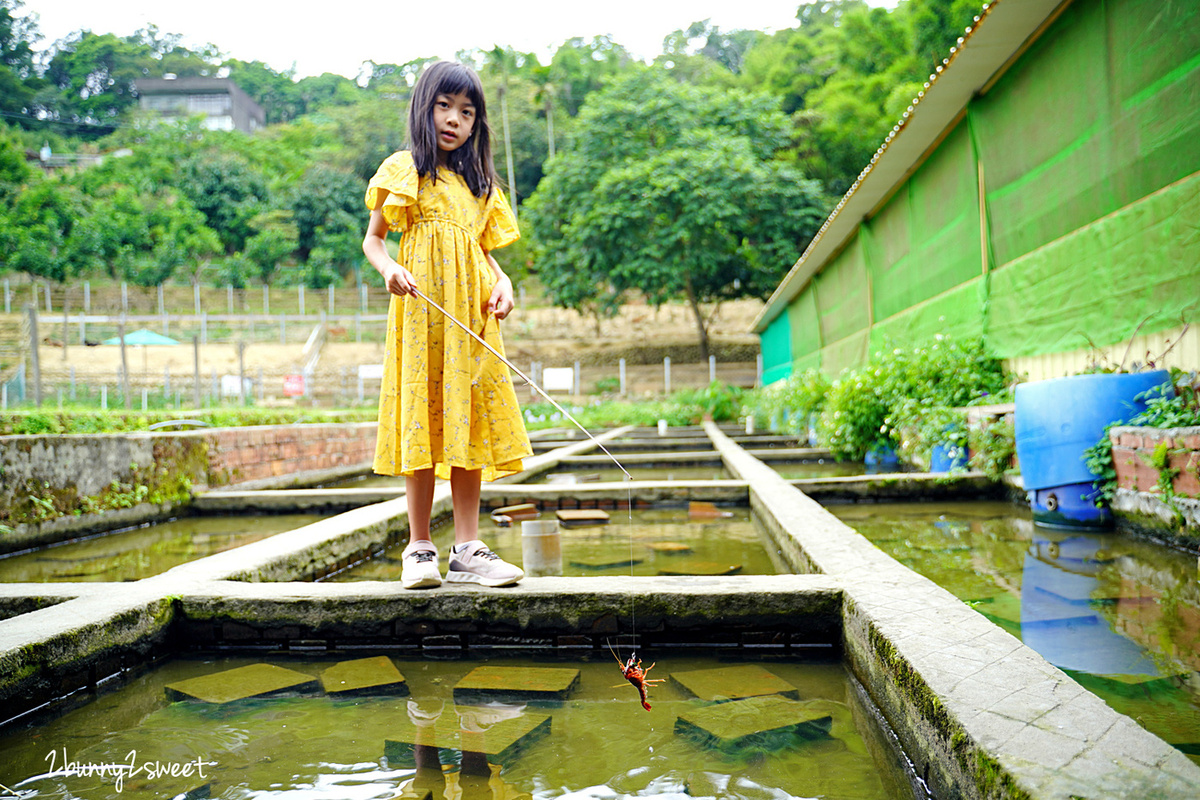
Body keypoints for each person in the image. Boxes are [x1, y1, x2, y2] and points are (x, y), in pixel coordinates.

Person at [363, 61, 531, 590]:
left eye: (466, 112)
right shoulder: (404, 170)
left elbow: (483, 253)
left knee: (470, 417)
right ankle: (419, 548)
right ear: (423, 107)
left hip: (473, 321)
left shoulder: (481, 187)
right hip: (421, 318)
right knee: (422, 414)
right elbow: (374, 240)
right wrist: (390, 268)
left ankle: (468, 548)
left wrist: (504, 283)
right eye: (444, 106)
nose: (454, 119)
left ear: (476, 123)